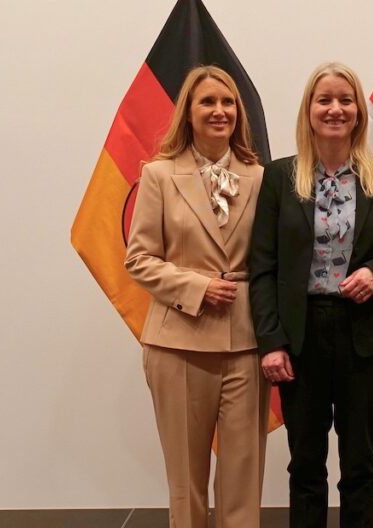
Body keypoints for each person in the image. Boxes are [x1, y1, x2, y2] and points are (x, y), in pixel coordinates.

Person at [249, 62, 373, 528]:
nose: (335, 109)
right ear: (309, 110)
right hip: (299, 337)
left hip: (364, 335)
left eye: (346, 100)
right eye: (324, 100)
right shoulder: (279, 177)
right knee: (305, 463)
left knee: (360, 462)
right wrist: (271, 342)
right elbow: (262, 268)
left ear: (359, 111)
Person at [124, 65, 268, 528]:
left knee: (244, 475)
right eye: (207, 102)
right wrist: (198, 287)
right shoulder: (158, 175)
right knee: (186, 481)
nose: (219, 111)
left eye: (228, 103)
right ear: (187, 112)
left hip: (247, 344)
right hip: (177, 344)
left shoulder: (261, 178)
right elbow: (139, 259)